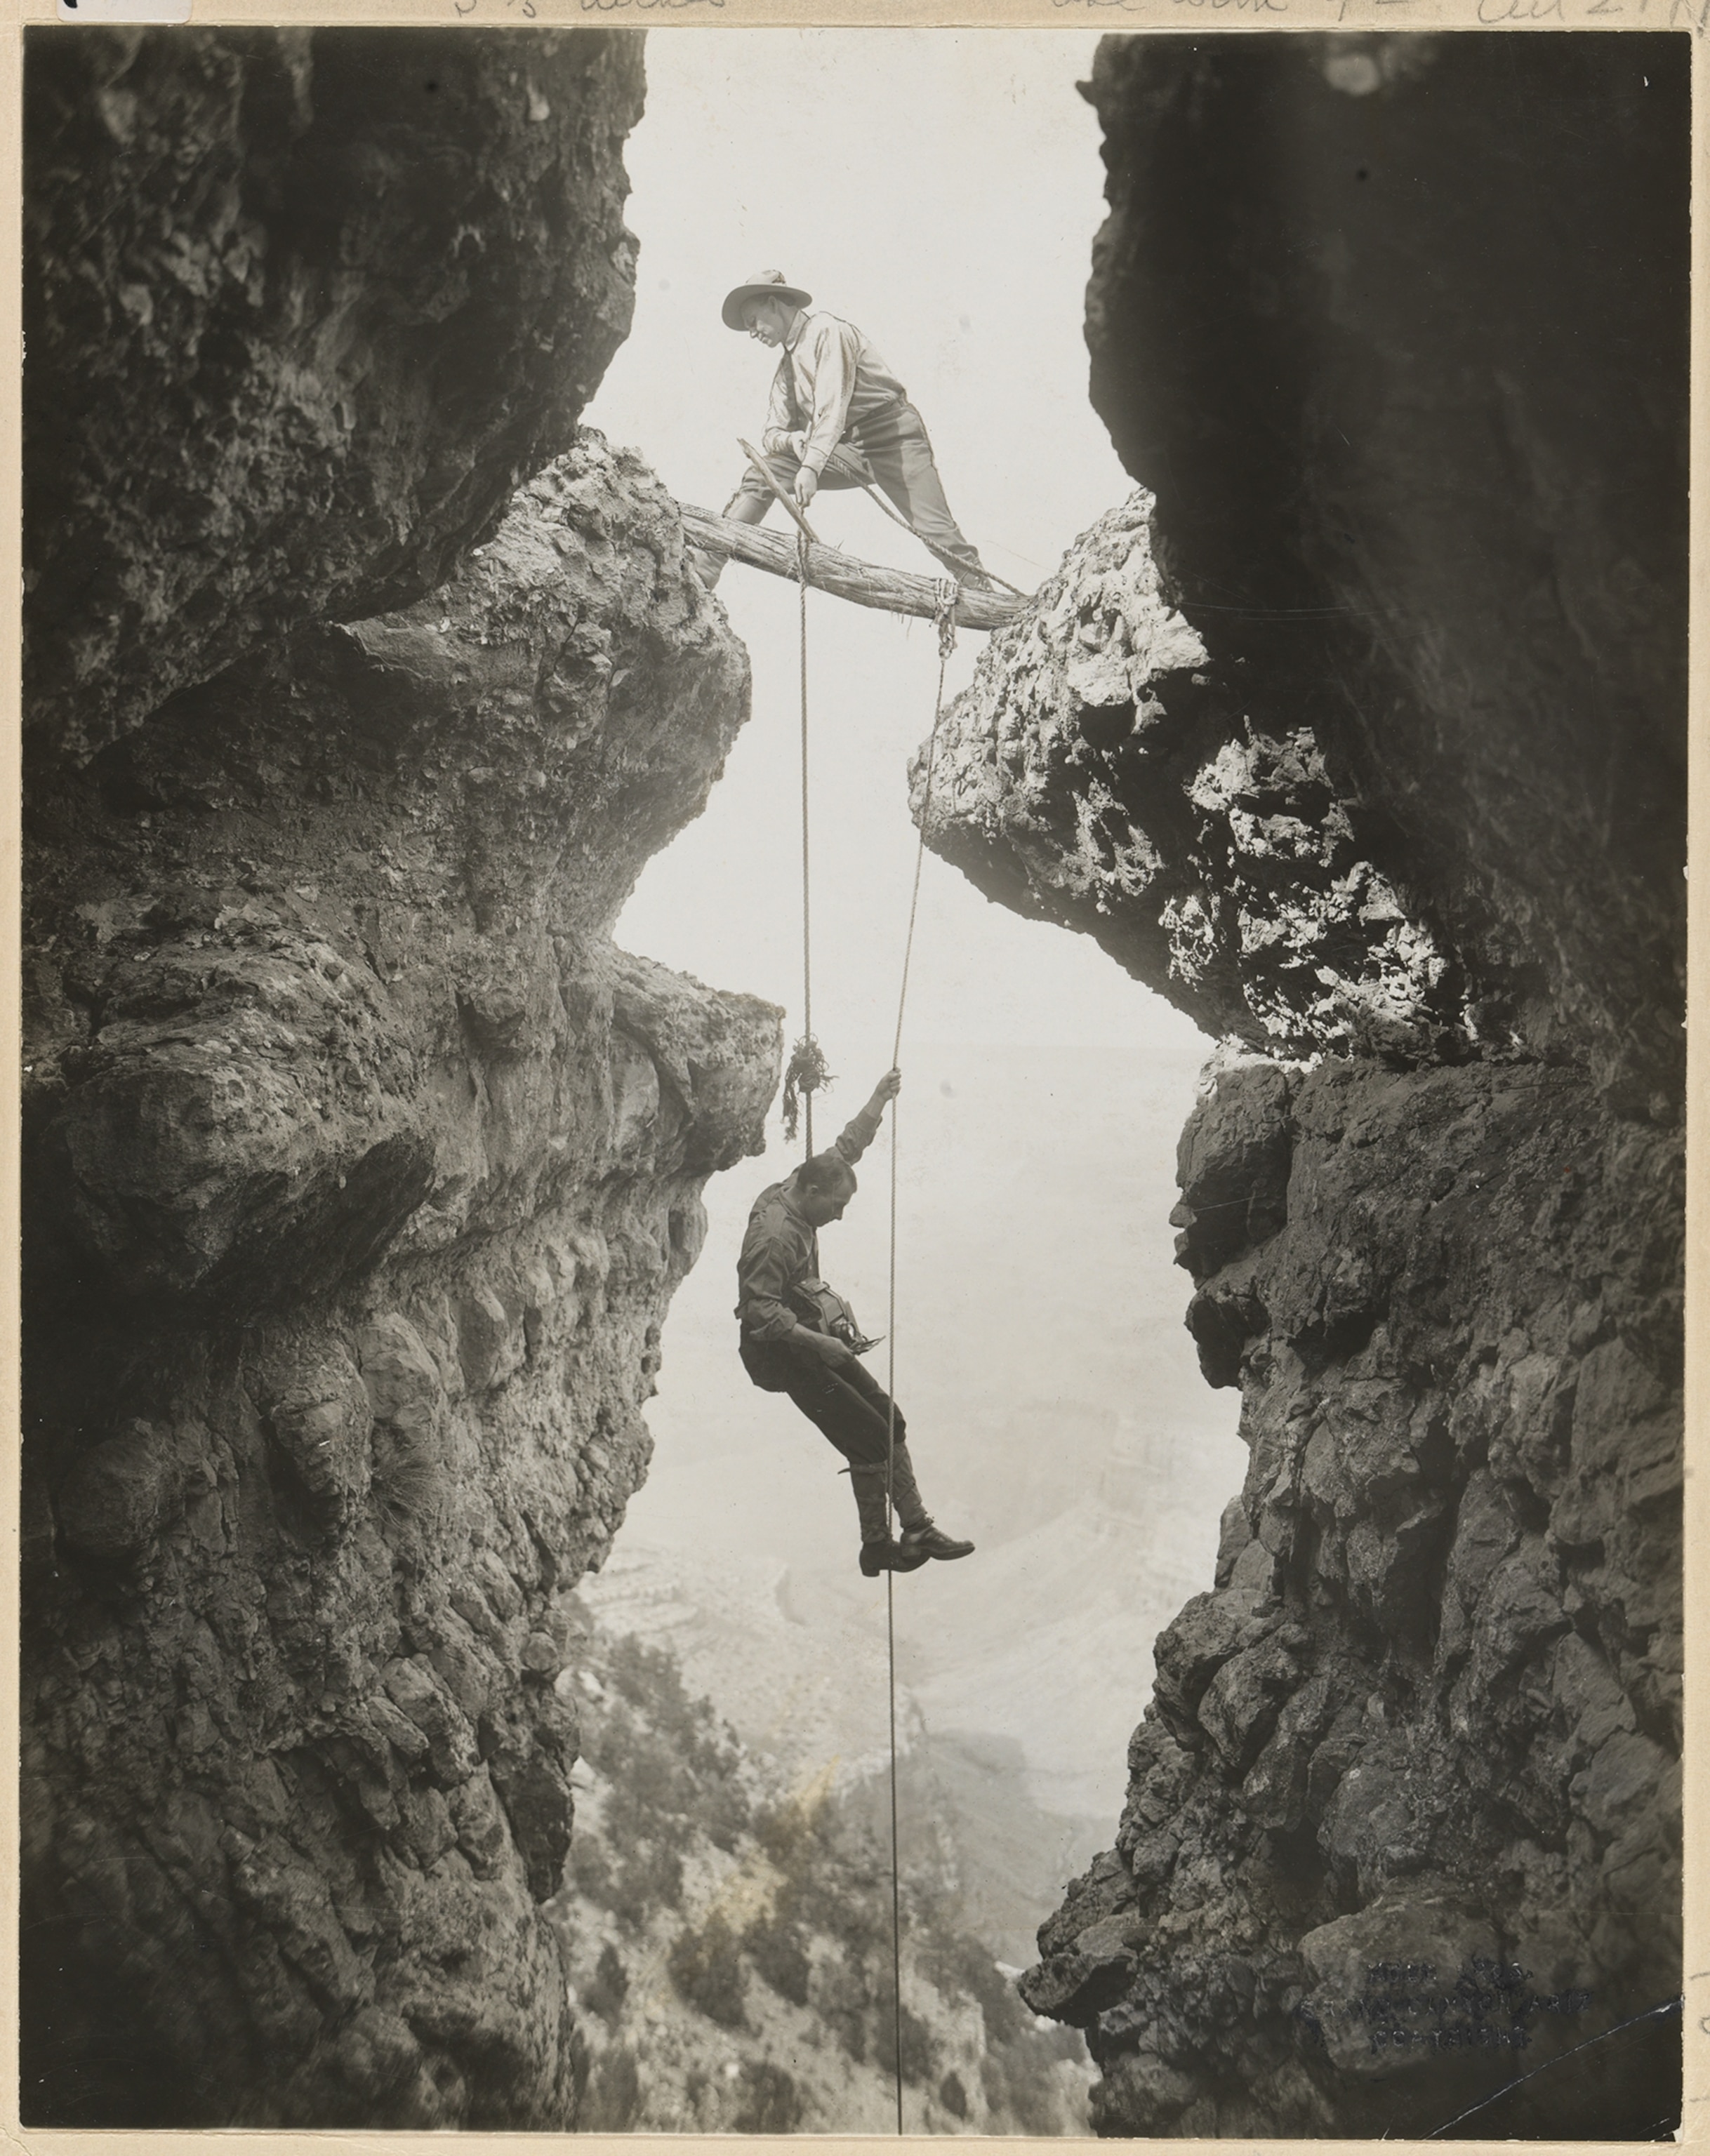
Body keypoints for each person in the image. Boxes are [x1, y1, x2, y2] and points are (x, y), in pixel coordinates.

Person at [735, 1066, 976, 1577]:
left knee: (891, 1420)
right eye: (838, 1206)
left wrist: (876, 1102)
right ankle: (875, 1546)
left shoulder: (806, 1184)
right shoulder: (776, 1236)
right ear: (814, 1193)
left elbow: (844, 1151)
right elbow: (758, 1310)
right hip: (778, 1352)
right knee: (868, 1437)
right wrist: (819, 1347)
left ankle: (916, 1527)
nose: (840, 1216)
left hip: (805, 1339)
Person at [707, 270, 993, 588]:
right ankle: (705, 569)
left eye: (753, 321)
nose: (752, 333)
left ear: (774, 304)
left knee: (935, 531)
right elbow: (771, 432)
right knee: (764, 473)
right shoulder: (785, 370)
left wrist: (811, 467)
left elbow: (833, 408)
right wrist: (793, 440)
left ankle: (987, 600)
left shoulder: (827, 331)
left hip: (895, 437)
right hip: (847, 448)